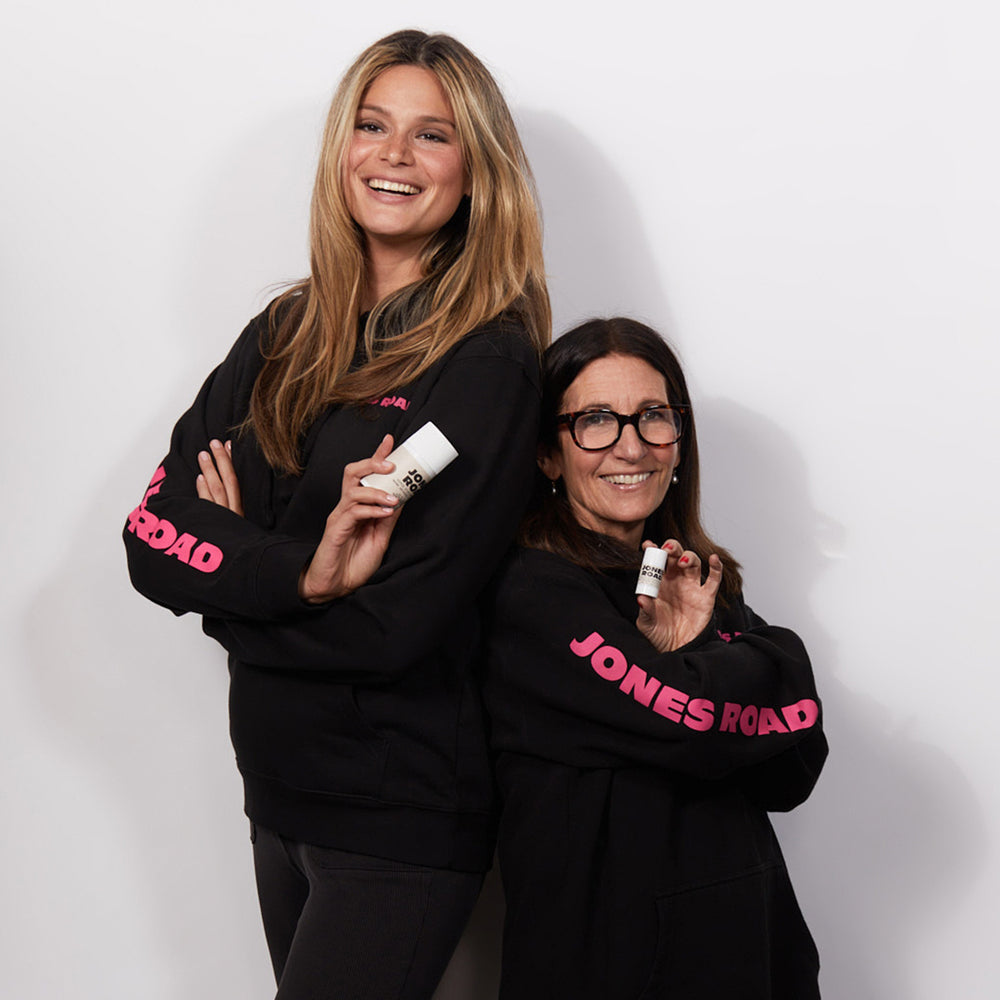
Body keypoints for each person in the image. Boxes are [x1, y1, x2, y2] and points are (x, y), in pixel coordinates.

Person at [123, 29, 549, 1000]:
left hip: (395, 815)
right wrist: (299, 572)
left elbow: (393, 626)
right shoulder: (284, 331)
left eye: (432, 134)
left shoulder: (486, 364)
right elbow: (151, 535)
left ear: (476, 171)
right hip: (274, 794)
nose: (393, 155)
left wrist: (230, 579)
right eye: (371, 125)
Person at [484, 318, 827, 999]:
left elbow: (795, 764)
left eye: (653, 416)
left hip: (752, 954)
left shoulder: (697, 580)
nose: (631, 445)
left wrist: (693, 652)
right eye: (595, 420)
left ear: (678, 440)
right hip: (605, 966)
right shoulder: (530, 593)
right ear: (548, 454)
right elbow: (693, 721)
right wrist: (771, 659)